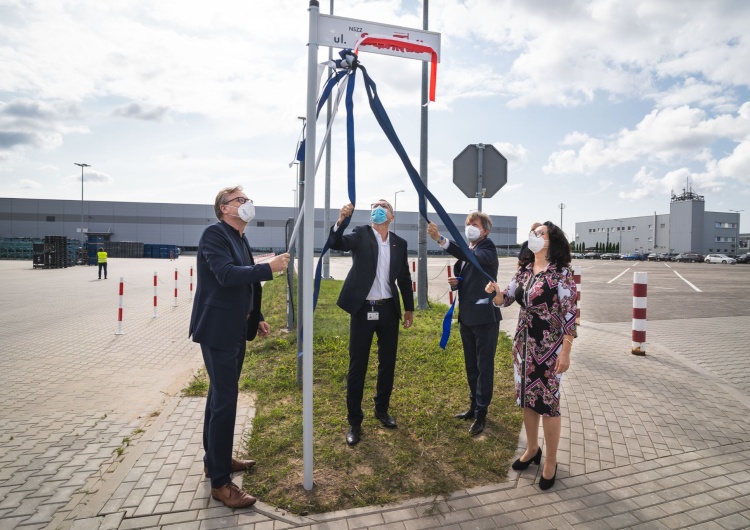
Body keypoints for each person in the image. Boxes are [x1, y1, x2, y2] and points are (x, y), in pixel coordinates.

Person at [189, 186, 290, 508]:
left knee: (219, 398)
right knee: (225, 402)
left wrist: (256, 315)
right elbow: (226, 274)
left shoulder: (240, 237)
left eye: (247, 199)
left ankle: (215, 460)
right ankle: (220, 483)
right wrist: (269, 268)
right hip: (218, 331)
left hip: (235, 328)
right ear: (224, 209)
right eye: (240, 200)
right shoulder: (214, 235)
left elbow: (246, 283)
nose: (247, 204)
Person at [485, 221, 577, 491]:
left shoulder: (561, 274)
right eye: (533, 233)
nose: (535, 237)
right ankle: (532, 449)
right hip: (523, 346)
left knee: (548, 404)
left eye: (541, 233)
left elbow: (571, 314)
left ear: (552, 241)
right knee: (527, 398)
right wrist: (496, 292)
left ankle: (550, 461)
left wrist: (567, 351)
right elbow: (507, 300)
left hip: (549, 348)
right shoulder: (524, 271)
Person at [329, 200, 414, 446]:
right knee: (358, 366)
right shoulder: (360, 234)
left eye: (383, 205)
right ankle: (354, 421)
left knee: (387, 363)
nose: (378, 207)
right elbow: (336, 243)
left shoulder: (400, 243)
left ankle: (382, 409)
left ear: (392, 216)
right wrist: (341, 220)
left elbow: (404, 278)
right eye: (375, 205)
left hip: (388, 310)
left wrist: (408, 308)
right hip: (363, 310)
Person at [427, 212, 500, 436]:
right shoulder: (470, 252)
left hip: (485, 319)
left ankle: (481, 413)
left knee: (483, 366)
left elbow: (472, 257)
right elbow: (468, 270)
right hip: (467, 318)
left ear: (485, 230)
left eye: (474, 224)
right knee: (471, 365)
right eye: (468, 224)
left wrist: (441, 239)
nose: (469, 227)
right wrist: (457, 282)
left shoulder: (488, 248)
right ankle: (473, 405)